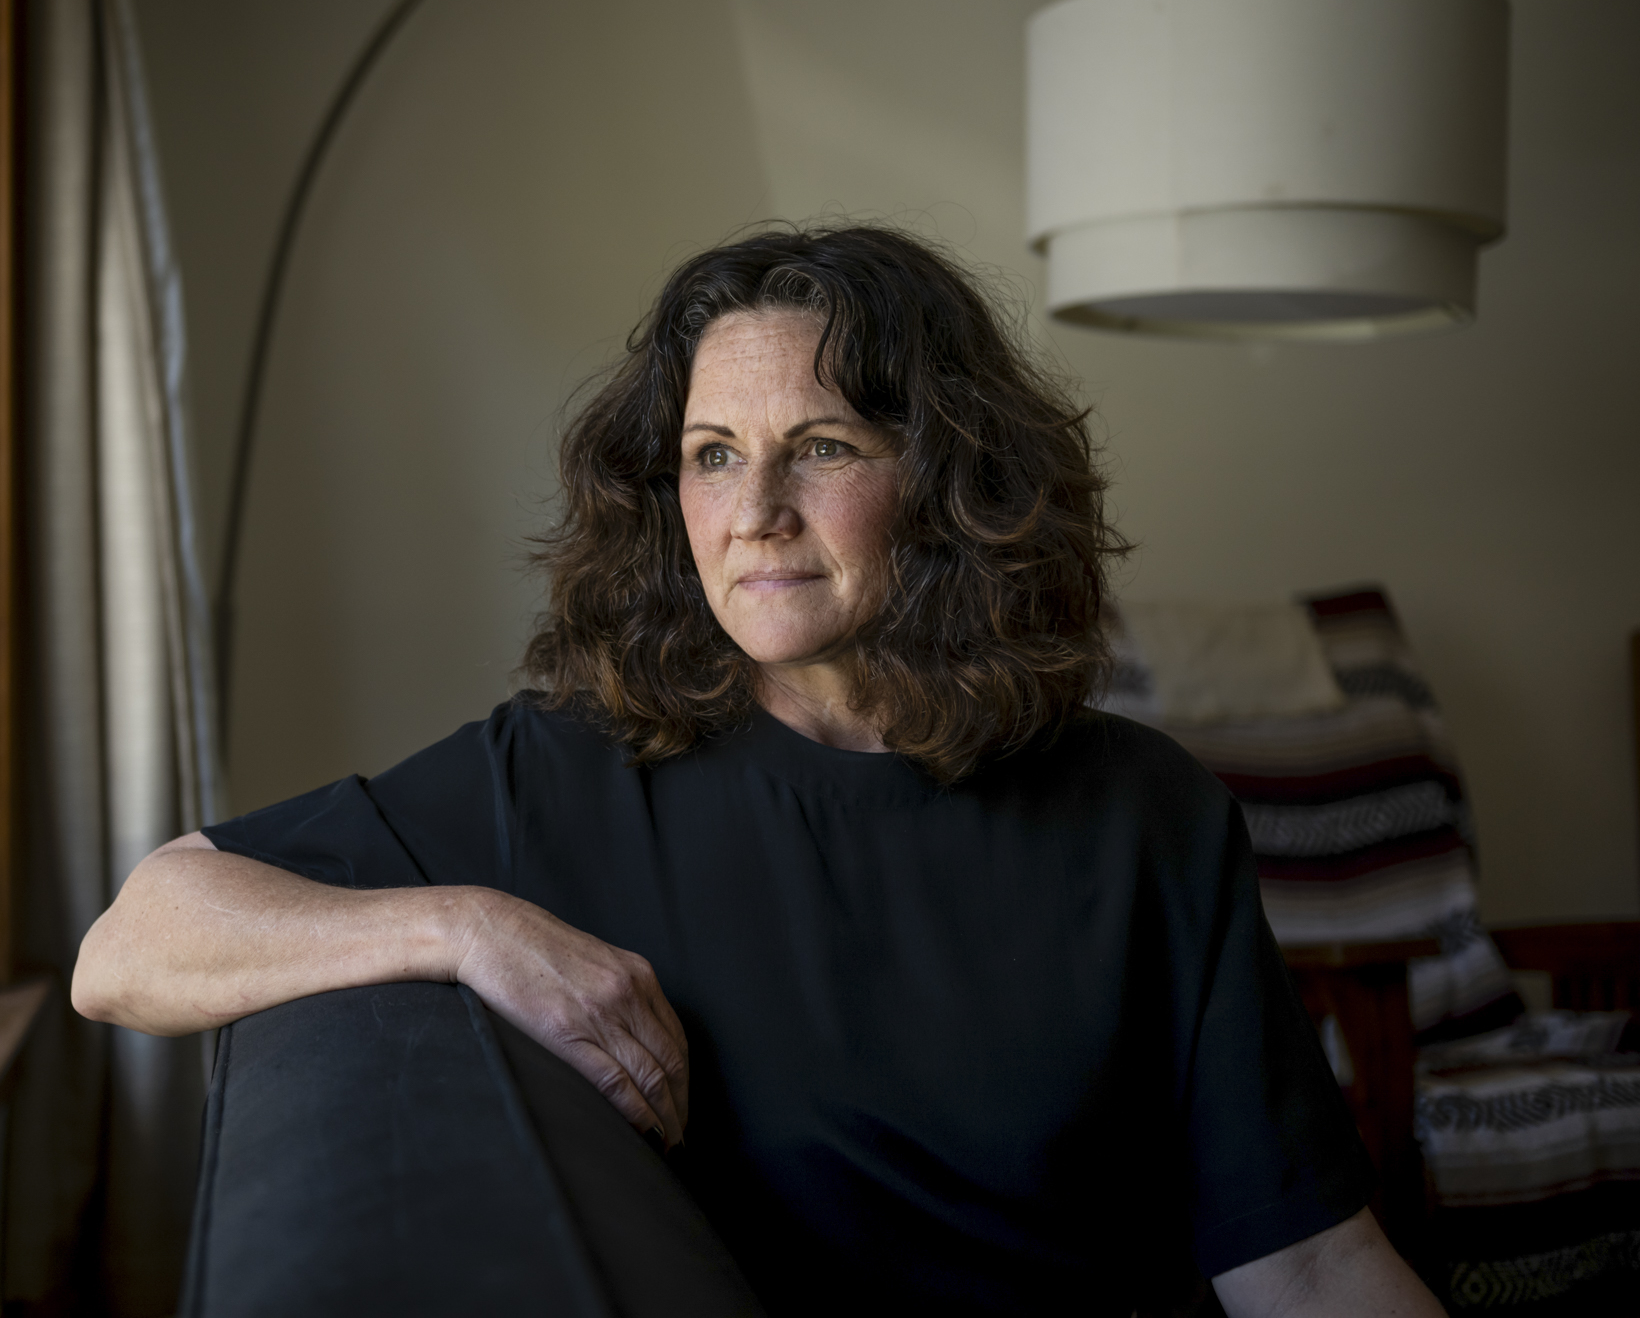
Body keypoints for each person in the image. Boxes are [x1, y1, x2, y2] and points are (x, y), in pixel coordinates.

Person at [73, 227, 1445, 1317]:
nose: (756, 512)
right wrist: (460, 926)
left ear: (949, 476)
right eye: (713, 456)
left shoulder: (1147, 810)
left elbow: (1308, 1262)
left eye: (824, 447)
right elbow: (133, 940)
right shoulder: (564, 773)